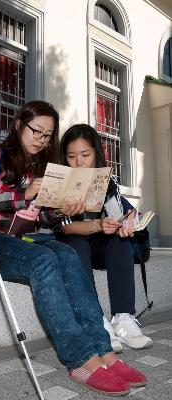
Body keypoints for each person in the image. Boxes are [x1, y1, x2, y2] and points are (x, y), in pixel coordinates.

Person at [0, 101, 146, 395]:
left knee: (67, 253)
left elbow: (45, 217)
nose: (41, 139)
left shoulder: (42, 167)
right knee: (44, 262)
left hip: (24, 240)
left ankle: (105, 352)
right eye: (36, 130)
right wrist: (26, 192)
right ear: (19, 125)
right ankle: (79, 360)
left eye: (48, 135)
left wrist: (65, 208)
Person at [57, 123, 153, 353]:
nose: (78, 162)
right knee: (78, 244)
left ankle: (122, 319)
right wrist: (97, 224)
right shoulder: (61, 182)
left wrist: (123, 226)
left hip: (98, 243)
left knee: (120, 242)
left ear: (96, 154)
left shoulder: (108, 182)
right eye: (71, 156)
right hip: (72, 243)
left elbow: (118, 216)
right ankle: (96, 321)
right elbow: (65, 228)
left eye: (85, 155)